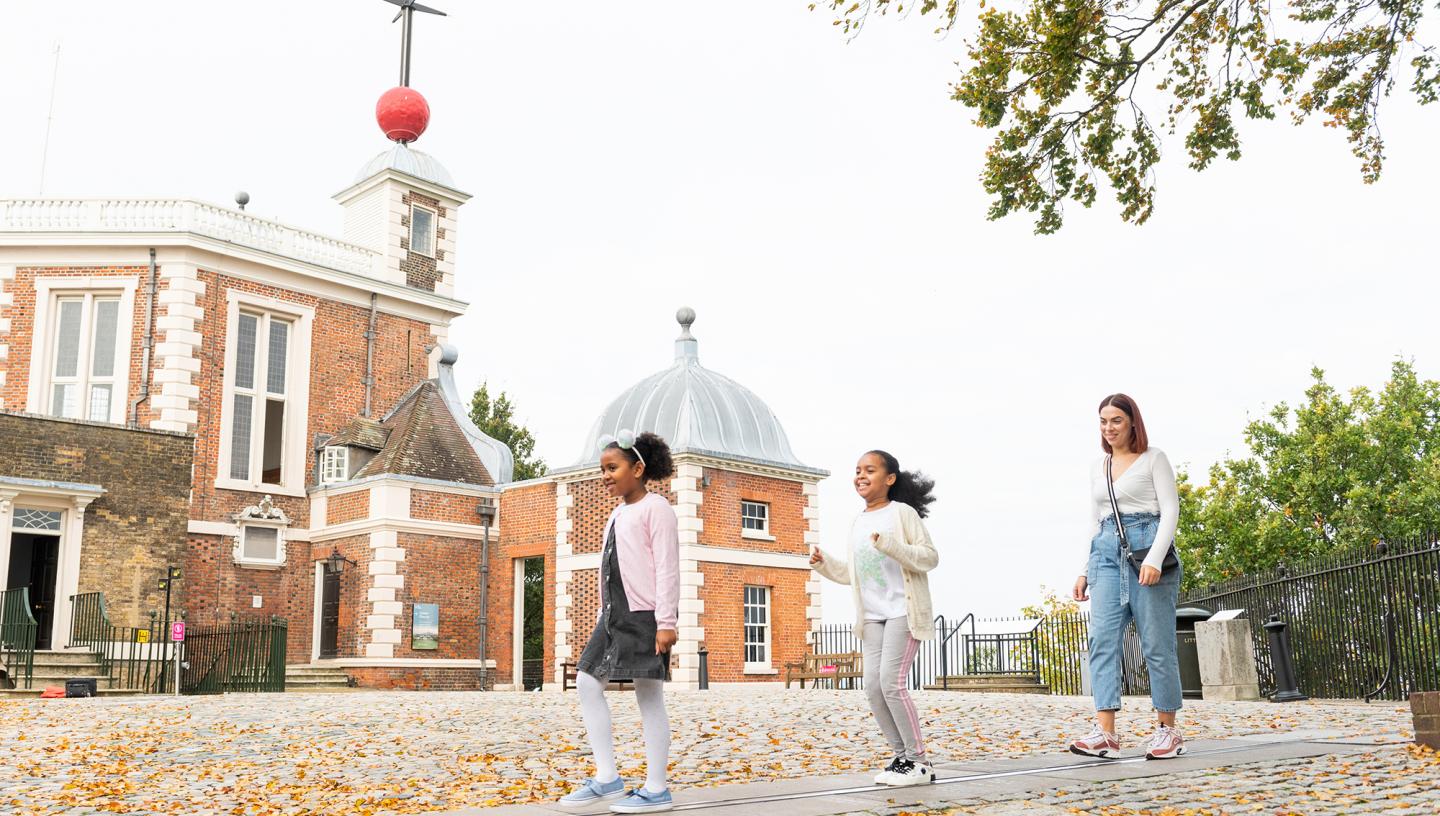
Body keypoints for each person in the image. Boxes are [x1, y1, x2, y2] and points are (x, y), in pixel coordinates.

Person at [560, 430, 680, 813]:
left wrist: (666, 621)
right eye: (603, 469)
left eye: (613, 468)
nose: (606, 475)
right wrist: (602, 612)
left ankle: (657, 787)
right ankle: (607, 777)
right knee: (586, 681)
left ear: (638, 468)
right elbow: (610, 568)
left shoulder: (657, 508)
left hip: (646, 615)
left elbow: (667, 567)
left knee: (649, 695)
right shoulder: (617, 512)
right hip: (613, 615)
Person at [810, 450, 940, 786]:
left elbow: (928, 558)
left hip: (902, 612)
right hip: (871, 617)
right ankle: (901, 757)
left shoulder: (903, 514)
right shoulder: (858, 521)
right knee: (872, 688)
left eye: (870, 470)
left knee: (892, 685)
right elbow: (855, 574)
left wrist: (890, 546)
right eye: (857, 470)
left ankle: (919, 761)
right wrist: (825, 563)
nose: (861, 476)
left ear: (890, 478)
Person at [1069, 393, 1186, 760]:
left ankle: (1168, 730)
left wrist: (1154, 557)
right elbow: (1095, 520)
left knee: (1156, 645)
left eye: (1116, 420)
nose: (1109, 428)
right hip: (1105, 554)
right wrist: (1084, 569)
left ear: (1132, 422)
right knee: (1101, 641)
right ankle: (1106, 732)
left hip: (1146, 548)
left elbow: (1170, 510)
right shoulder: (1098, 466)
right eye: (1103, 421)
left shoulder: (1154, 459)